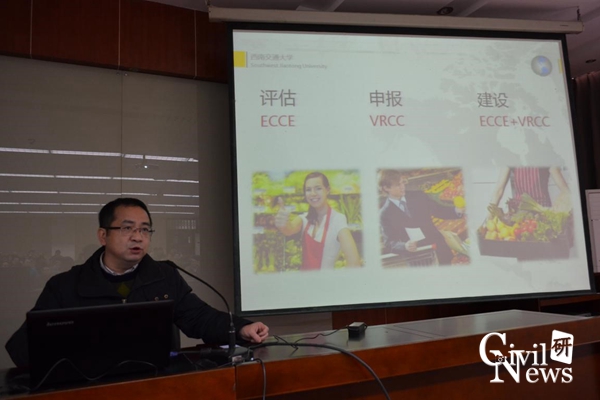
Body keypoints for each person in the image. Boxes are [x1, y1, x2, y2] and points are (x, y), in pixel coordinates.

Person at [5, 198, 269, 368]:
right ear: (103, 235)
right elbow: (23, 349)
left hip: (155, 383)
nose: (138, 237)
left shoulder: (164, 276)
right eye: (127, 228)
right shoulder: (65, 285)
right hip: (90, 387)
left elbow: (199, 317)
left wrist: (241, 328)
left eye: (144, 229)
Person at [274, 172, 361, 270]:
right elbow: (288, 229)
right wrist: (282, 223)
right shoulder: (304, 218)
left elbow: (354, 263)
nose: (313, 194)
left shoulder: (337, 220)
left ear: (327, 190)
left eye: (318, 188)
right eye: (308, 190)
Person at [378, 169, 464, 265]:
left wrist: (457, 211)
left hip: (439, 249)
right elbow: (389, 243)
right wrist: (404, 246)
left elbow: (439, 210)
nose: (402, 187)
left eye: (403, 182)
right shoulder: (385, 214)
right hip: (418, 258)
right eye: (398, 185)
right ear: (386, 188)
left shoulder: (419, 196)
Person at [490, 166, 570, 210]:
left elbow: (565, 191)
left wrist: (557, 208)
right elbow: (499, 190)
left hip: (542, 212)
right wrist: (489, 217)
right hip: (519, 213)